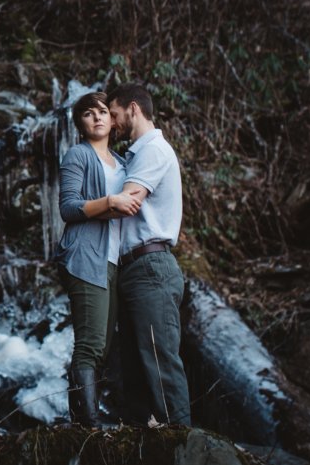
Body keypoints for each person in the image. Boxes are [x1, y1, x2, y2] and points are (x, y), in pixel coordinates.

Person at [56, 90, 142, 426]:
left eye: (103, 111)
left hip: (113, 262)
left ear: (112, 118)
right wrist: (111, 202)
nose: (98, 117)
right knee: (90, 345)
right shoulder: (78, 155)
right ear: (79, 122)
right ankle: (88, 429)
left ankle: (84, 422)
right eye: (89, 113)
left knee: (104, 347)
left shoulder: (123, 163)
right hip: (85, 257)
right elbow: (68, 208)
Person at [108, 82, 192, 426]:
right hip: (133, 268)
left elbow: (127, 202)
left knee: (160, 362)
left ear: (133, 109)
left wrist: (79, 208)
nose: (112, 123)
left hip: (150, 266)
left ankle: (185, 445)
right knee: (133, 368)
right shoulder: (135, 154)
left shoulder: (154, 150)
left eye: (113, 115)